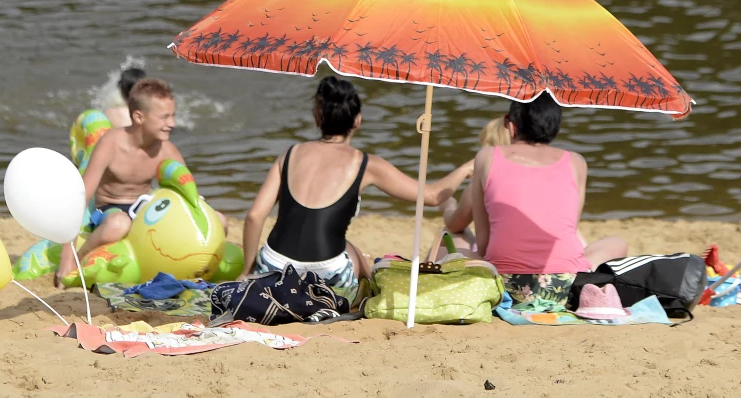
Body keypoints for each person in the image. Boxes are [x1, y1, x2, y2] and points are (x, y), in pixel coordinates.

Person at [240, 76, 473, 291]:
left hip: (274, 266)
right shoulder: (366, 164)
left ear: (316, 116)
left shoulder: (290, 154)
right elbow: (433, 197)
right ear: (358, 120)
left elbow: (254, 216)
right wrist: (464, 170)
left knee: (348, 247)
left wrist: (247, 270)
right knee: (353, 253)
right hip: (326, 273)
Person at [450, 93, 627, 305]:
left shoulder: (486, 157)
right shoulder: (576, 162)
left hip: (504, 285)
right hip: (565, 286)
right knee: (617, 243)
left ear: (511, 125)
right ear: (556, 127)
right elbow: (569, 228)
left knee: (447, 249)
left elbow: (484, 243)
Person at [56, 78, 191, 285]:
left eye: (173, 116)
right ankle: (80, 258)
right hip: (109, 211)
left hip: (143, 211)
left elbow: (189, 196)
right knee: (119, 224)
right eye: (164, 117)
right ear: (139, 117)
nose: (172, 123)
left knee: (220, 220)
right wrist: (66, 258)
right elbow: (81, 196)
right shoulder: (111, 143)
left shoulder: (166, 150)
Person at [440, 117, 511, 250]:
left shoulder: (478, 188)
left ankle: (425, 267)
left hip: (493, 258)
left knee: (450, 233)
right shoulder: (532, 181)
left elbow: (454, 224)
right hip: (531, 257)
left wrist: (448, 204)